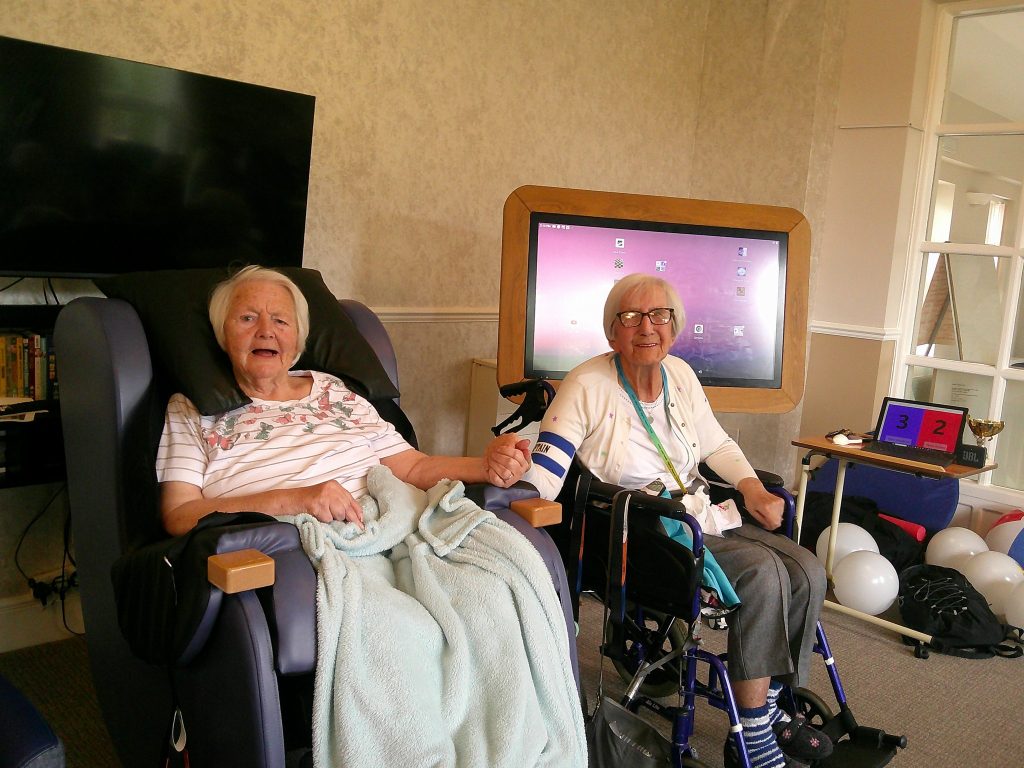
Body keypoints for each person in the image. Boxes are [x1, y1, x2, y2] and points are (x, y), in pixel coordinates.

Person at [522, 273, 831, 768]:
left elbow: (715, 444)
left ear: (674, 326)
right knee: (763, 572)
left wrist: (751, 487)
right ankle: (750, 731)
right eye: (631, 317)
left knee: (808, 569)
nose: (647, 326)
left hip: (699, 509)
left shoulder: (681, 375)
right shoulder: (587, 383)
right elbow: (548, 470)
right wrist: (512, 480)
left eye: (659, 315)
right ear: (611, 332)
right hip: (645, 527)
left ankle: (772, 702)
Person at [156, 265, 532, 537]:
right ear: (223, 336)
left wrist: (486, 465)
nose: (266, 331)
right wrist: (295, 501)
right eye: (248, 318)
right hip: (286, 549)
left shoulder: (334, 392)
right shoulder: (192, 410)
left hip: (386, 529)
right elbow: (180, 514)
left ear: (300, 340)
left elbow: (413, 469)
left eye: (281, 322)